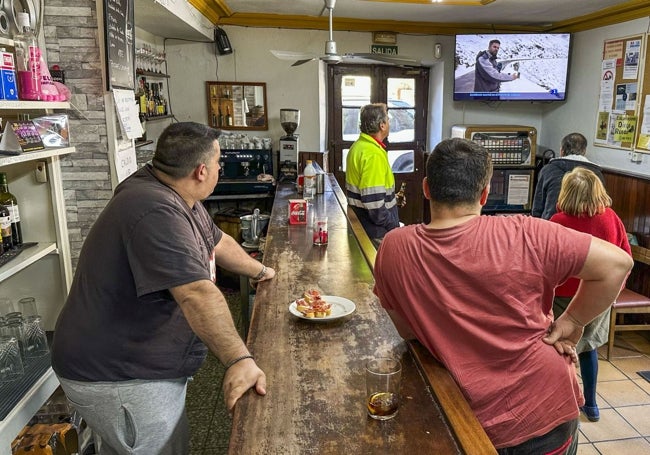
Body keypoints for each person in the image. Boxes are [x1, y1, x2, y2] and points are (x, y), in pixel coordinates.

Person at [373, 138, 632, 454]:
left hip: (464, 417)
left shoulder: (394, 248)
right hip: (545, 411)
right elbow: (618, 264)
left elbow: (409, 333)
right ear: (484, 193)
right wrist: (573, 321)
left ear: (426, 188)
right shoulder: (527, 232)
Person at [50, 122, 274, 454]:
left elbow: (219, 241)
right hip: (121, 374)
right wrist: (239, 359)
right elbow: (196, 292)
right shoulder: (154, 208)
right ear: (201, 171)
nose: (218, 169)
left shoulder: (176, 191)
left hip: (135, 362)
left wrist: (262, 270)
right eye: (217, 164)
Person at [550, 167, 631, 423]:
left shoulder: (558, 222)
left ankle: (561, 405)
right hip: (599, 298)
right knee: (589, 349)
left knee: (561, 350)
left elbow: (549, 265)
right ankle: (592, 405)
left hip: (564, 297)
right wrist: (613, 291)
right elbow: (625, 256)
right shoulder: (611, 218)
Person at [346, 103, 403, 243]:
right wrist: (394, 226)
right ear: (382, 125)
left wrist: (392, 199)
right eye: (388, 119)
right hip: (376, 233)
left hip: (364, 227)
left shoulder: (358, 147)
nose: (389, 122)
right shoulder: (373, 154)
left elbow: (367, 193)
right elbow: (374, 205)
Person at [532, 132, 605, 219]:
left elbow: (538, 205)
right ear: (584, 151)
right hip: (583, 228)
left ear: (561, 151)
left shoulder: (548, 170)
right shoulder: (596, 174)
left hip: (551, 224)